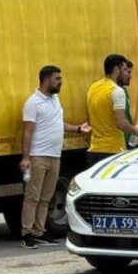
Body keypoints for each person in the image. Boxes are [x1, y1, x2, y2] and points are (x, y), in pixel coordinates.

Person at [19, 66, 91, 249]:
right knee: (32, 196)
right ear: (46, 80)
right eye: (57, 78)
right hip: (38, 156)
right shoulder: (33, 103)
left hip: (54, 155)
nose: (61, 82)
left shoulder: (55, 99)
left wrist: (76, 129)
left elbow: (58, 123)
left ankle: (40, 231)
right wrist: (25, 158)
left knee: (46, 197)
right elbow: (27, 132)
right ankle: (27, 234)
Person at [86, 54, 138, 167]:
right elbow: (121, 123)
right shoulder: (117, 91)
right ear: (116, 70)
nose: (127, 73)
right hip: (112, 151)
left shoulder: (93, 88)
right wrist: (135, 130)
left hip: (94, 149)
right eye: (125, 69)